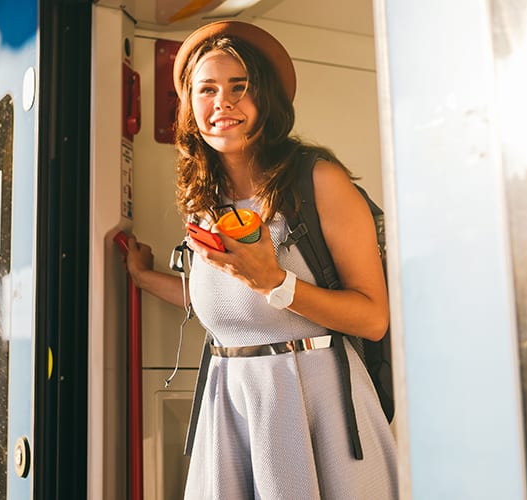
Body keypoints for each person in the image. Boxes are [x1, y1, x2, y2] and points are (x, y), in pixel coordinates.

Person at [123, 20, 398, 499]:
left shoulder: (318, 181)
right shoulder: (202, 199)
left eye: (239, 87)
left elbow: (373, 318)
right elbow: (234, 298)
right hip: (230, 402)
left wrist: (277, 281)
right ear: (191, 107)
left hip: (315, 404)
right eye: (206, 90)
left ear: (266, 100)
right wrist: (143, 277)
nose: (221, 103)